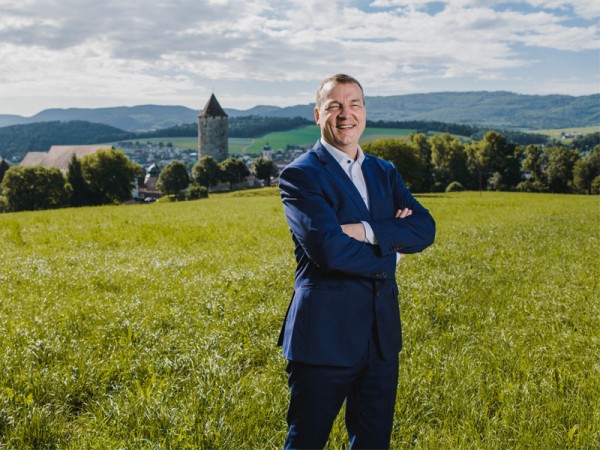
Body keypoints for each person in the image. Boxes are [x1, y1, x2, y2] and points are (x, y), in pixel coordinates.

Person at [277, 73, 436, 449]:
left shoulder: (384, 171)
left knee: (373, 443)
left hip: (380, 339)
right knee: (306, 442)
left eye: (354, 105)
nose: (345, 114)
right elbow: (328, 250)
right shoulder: (301, 175)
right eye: (334, 106)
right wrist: (392, 247)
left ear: (364, 111)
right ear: (318, 115)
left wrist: (364, 231)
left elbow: (424, 228)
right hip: (324, 338)